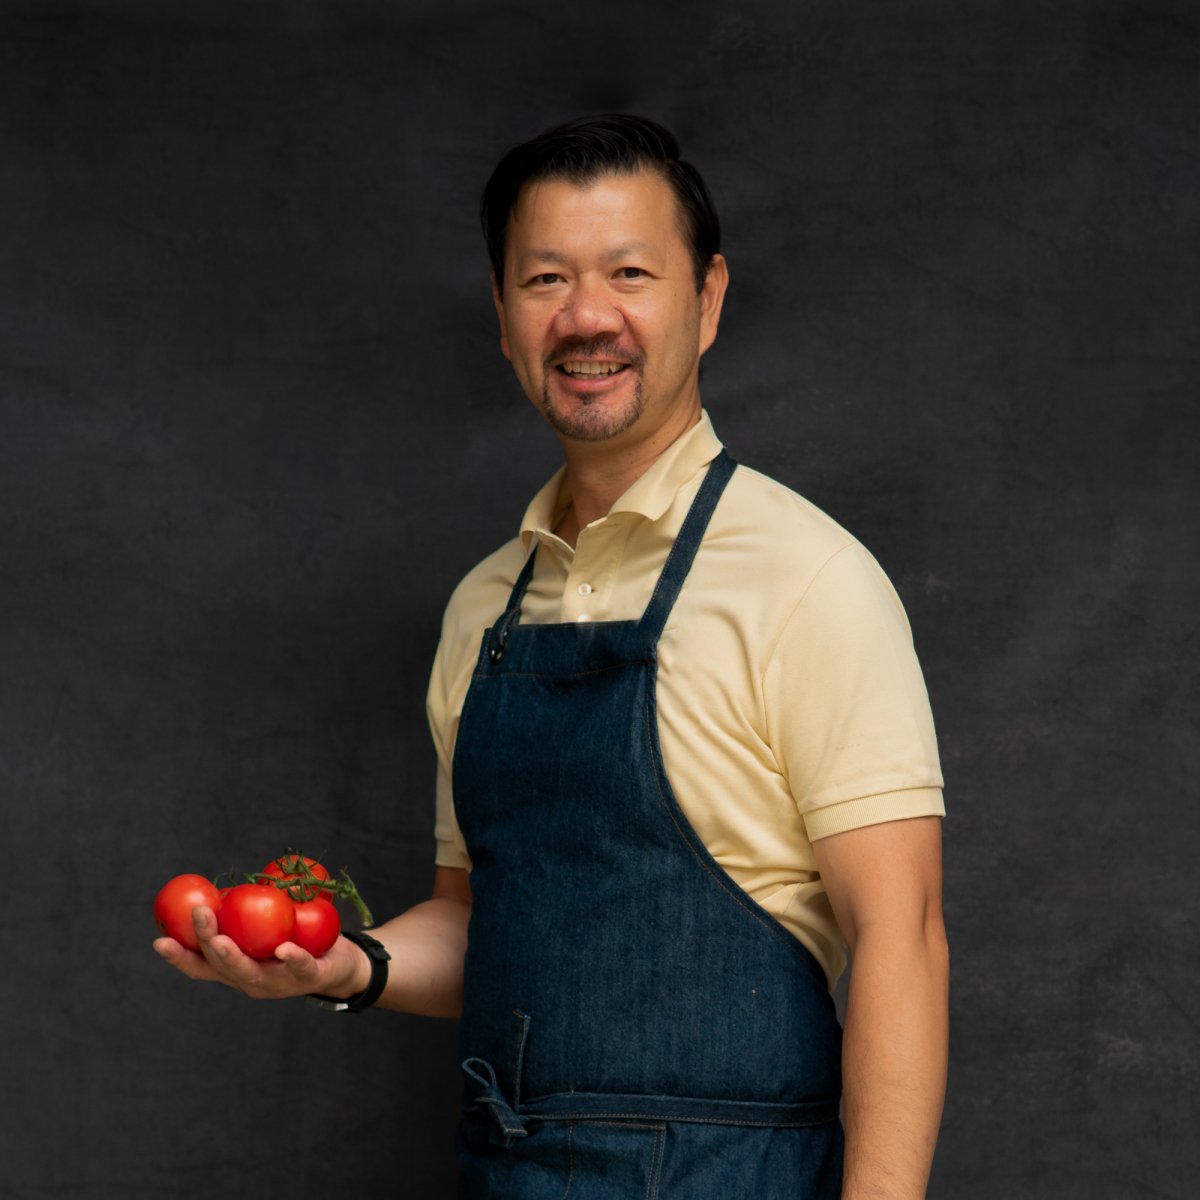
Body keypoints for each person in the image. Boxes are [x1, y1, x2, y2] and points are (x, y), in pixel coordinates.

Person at [155, 114, 949, 1199]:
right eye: (544, 280)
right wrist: (352, 966)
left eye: (630, 272)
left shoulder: (810, 578)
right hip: (511, 1173)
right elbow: (480, 920)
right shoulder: (484, 606)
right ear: (501, 313)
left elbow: (899, 939)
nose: (587, 318)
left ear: (707, 300)